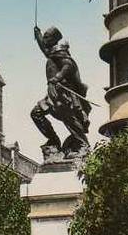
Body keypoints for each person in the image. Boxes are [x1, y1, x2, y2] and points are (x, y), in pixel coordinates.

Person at [31, 25, 92, 159]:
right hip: (53, 93)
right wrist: (38, 34)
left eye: (47, 37)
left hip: (63, 93)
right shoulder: (52, 51)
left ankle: (83, 146)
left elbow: (68, 66)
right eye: (45, 37)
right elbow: (44, 49)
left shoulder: (61, 51)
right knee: (36, 113)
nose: (45, 39)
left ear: (54, 39)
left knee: (69, 119)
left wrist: (57, 78)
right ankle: (54, 140)